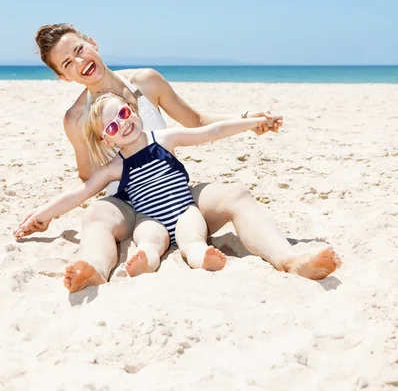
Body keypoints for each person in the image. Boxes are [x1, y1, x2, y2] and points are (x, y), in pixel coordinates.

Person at [14, 23, 341, 292]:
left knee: (235, 193)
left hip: (175, 192)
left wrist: (247, 119)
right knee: (96, 215)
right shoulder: (76, 119)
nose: (79, 61)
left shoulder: (145, 80)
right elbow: (88, 180)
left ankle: (289, 260)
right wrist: (50, 211)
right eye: (67, 64)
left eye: (79, 49)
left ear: (93, 42)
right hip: (128, 205)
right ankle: (94, 270)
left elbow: (196, 122)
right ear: (63, 77)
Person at [15, 93, 280, 276]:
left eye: (123, 112)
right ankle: (144, 262)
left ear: (133, 109)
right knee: (149, 242)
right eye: (111, 127)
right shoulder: (114, 167)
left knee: (192, 237)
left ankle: (203, 258)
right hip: (148, 218)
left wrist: (251, 123)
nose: (122, 124)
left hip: (184, 210)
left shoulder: (164, 139)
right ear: (106, 141)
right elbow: (78, 194)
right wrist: (42, 216)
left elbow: (211, 132)